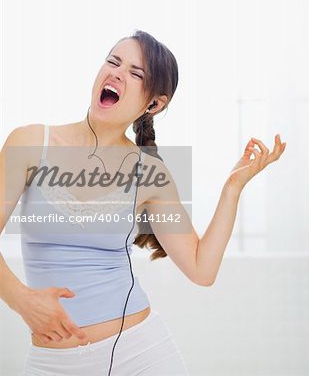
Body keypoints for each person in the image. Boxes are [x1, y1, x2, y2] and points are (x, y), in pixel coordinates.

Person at [0, 30, 287, 376]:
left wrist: (232, 188)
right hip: (51, 363)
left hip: (140, 353)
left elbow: (201, 269)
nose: (117, 73)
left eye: (136, 73)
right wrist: (21, 300)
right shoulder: (32, 142)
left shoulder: (150, 173)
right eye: (113, 61)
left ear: (154, 104)